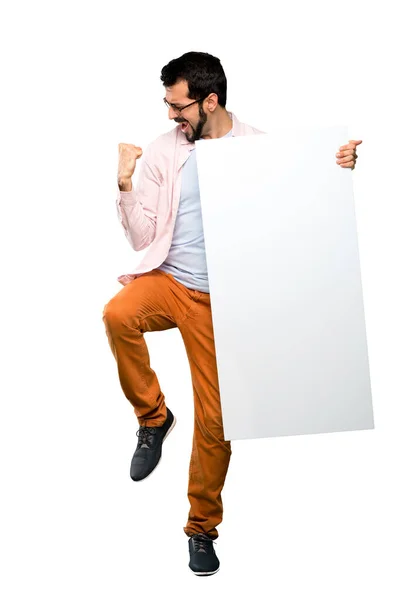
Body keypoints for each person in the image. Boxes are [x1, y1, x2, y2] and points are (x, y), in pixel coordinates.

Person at [102, 51, 361, 576]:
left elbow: (302, 203)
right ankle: (153, 418)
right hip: (171, 280)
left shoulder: (259, 150)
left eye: (178, 107)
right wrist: (125, 183)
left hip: (227, 300)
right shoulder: (161, 151)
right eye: (169, 106)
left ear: (210, 100)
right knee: (117, 315)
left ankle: (201, 528)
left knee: (218, 421)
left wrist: (338, 167)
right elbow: (143, 238)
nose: (171, 116)